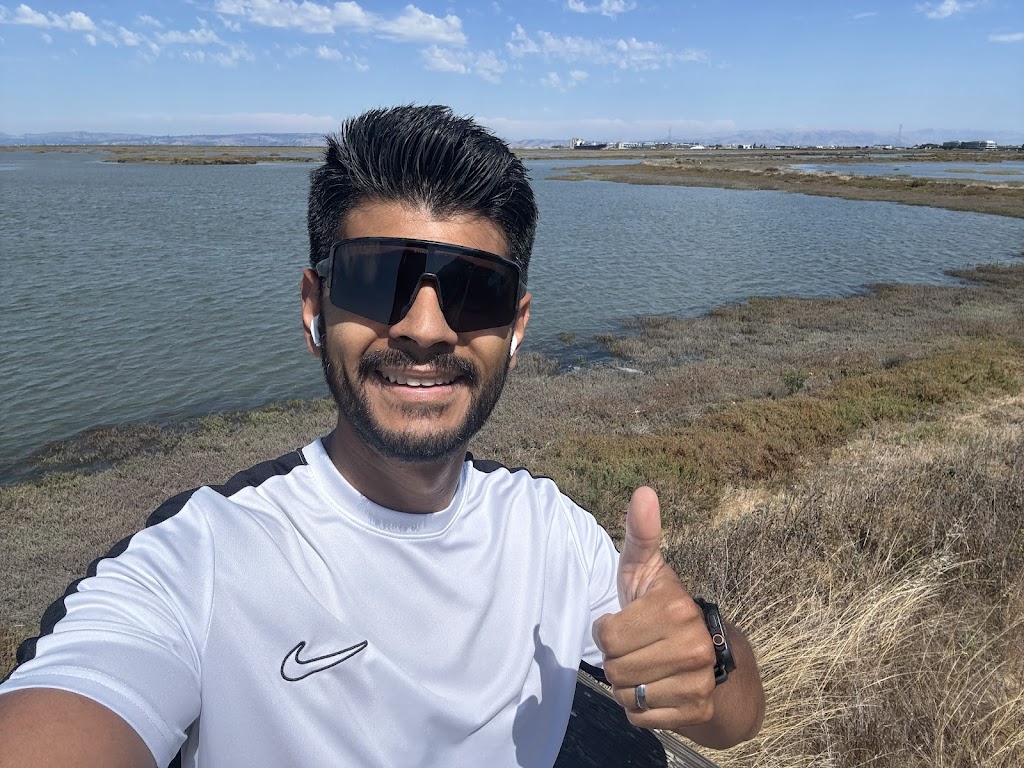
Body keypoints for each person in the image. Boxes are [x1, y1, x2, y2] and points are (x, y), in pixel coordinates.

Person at [0, 105, 764, 767]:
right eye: (377, 279)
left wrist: (705, 654)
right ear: (314, 308)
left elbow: (736, 720)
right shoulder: (200, 558)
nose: (425, 328)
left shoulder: (553, 533)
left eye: (475, 290)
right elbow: (78, 702)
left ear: (516, 326)